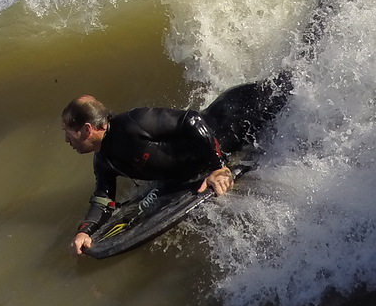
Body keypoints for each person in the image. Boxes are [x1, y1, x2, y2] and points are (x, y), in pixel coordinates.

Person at [61, 75, 291, 257]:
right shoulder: (104, 160)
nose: (66, 139)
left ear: (88, 128)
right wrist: (85, 232)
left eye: (68, 131)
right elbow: (104, 200)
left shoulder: (133, 123)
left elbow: (192, 120)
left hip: (241, 112)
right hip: (231, 139)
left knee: (293, 86)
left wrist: (219, 168)